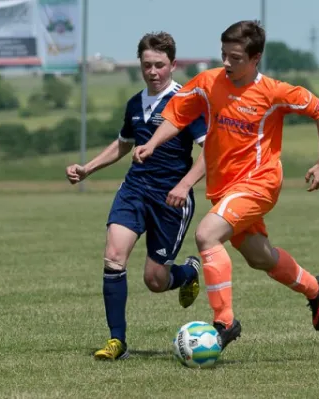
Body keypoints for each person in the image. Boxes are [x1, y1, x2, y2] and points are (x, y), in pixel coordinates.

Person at [133, 20, 319, 351]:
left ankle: (224, 323)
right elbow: (177, 114)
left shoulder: (274, 92)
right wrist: (153, 143)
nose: (226, 62)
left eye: (235, 57)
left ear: (255, 59)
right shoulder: (209, 82)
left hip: (259, 183)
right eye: (223, 54)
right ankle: (315, 288)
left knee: (206, 234)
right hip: (224, 188)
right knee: (260, 257)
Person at [66, 31, 208, 360]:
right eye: (147, 65)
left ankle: (188, 272)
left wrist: (185, 185)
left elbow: (211, 151)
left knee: (155, 281)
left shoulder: (188, 102)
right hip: (134, 190)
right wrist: (88, 168)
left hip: (171, 198)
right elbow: (123, 143)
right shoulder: (134, 103)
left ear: (173, 65)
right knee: (113, 256)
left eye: (160, 65)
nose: (153, 71)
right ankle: (117, 341)